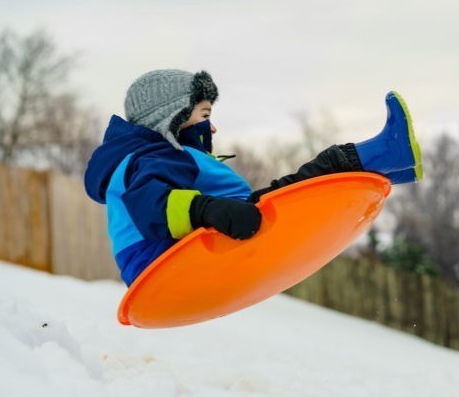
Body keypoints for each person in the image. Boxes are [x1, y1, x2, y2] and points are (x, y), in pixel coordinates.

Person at [84, 69, 421, 286]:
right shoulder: (154, 157)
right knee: (294, 190)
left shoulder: (149, 157)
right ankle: (384, 153)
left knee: (283, 194)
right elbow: (149, 204)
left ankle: (389, 164)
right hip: (162, 263)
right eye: (203, 115)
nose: (211, 126)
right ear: (172, 118)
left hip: (168, 259)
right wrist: (206, 210)